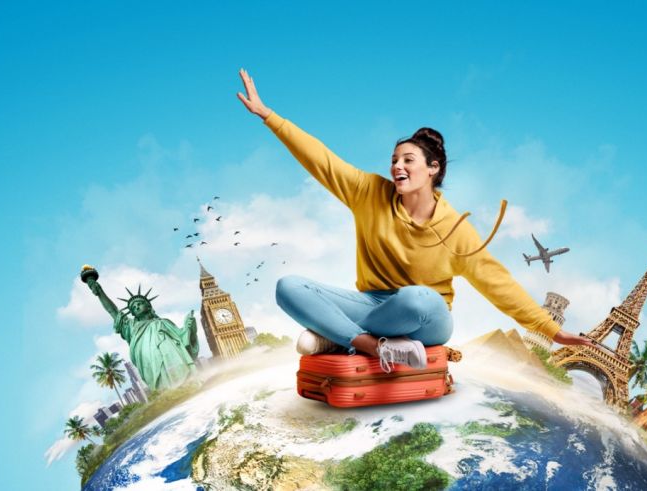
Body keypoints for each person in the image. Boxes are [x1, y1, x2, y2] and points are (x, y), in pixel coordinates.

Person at [236, 68, 594, 373]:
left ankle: (334, 335)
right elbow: (322, 159)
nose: (397, 166)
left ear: (433, 168)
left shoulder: (456, 229)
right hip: (373, 305)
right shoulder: (368, 192)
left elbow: (498, 284)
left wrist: (553, 331)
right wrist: (269, 116)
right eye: (394, 159)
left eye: (408, 160)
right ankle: (373, 346)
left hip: (427, 316)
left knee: (416, 298)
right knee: (289, 287)